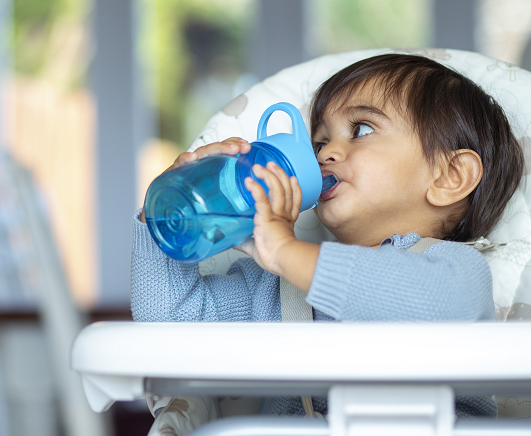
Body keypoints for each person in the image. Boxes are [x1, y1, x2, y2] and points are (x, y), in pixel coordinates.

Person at [131, 54, 524, 419]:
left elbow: (418, 303)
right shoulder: (274, 287)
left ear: (449, 177)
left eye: (361, 129)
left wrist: (286, 251)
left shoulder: (459, 272)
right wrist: (165, 216)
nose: (325, 153)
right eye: (319, 142)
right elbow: (170, 322)